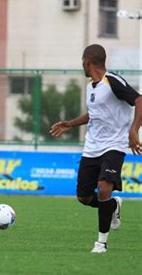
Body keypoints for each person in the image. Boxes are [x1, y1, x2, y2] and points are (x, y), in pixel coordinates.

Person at [50, 44, 142, 254]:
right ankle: (112, 205)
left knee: (103, 187)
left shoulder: (113, 81)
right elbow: (95, 114)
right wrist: (70, 124)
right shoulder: (90, 87)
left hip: (114, 145)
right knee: (83, 197)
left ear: (87, 61)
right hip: (92, 147)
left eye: (82, 62)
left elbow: (139, 100)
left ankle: (101, 243)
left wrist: (134, 130)